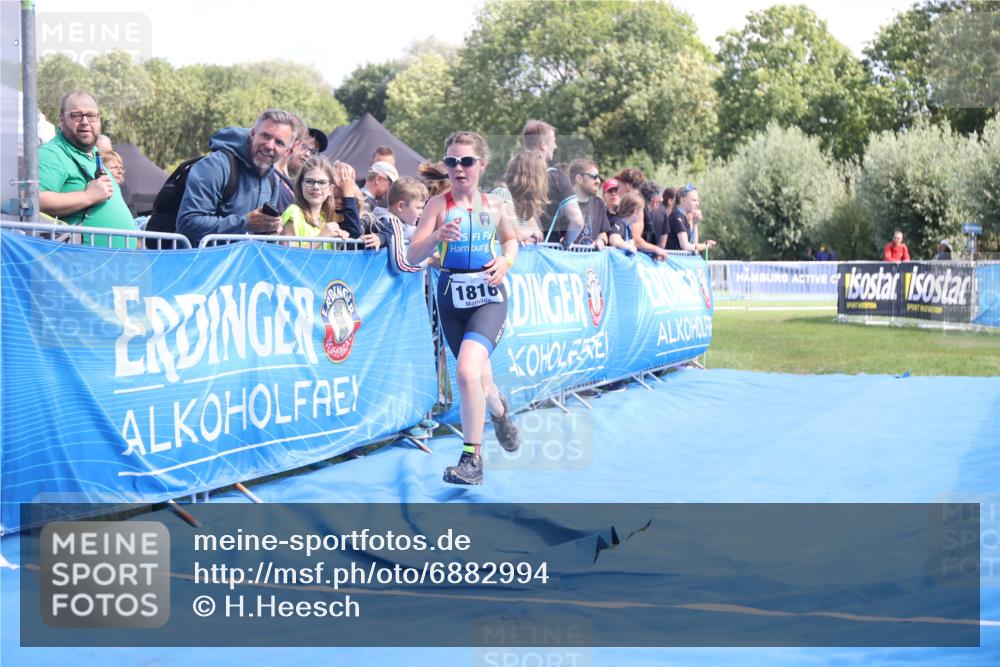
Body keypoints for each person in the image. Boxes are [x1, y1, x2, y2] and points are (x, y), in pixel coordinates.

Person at [407, 131, 521, 485]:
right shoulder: (437, 205)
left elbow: (511, 240)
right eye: (452, 162)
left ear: (481, 165)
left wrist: (505, 262)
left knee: (468, 372)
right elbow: (413, 254)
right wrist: (436, 237)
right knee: (479, 380)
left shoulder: (495, 205)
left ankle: (472, 460)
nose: (458, 168)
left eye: (466, 162)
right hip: (451, 299)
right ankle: (500, 413)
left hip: (488, 298)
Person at [176, 109, 294, 247]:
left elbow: (259, 236)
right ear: (253, 134)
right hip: (198, 259)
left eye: (279, 142)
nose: (269, 146)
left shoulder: (272, 180)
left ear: (287, 151)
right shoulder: (215, 166)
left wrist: (270, 231)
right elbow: (187, 222)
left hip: (242, 261)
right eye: (266, 136)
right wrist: (245, 223)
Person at [38, 91, 137, 248]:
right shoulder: (52, 153)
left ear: (99, 119)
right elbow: (36, 200)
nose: (85, 121)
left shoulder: (94, 154)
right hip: (81, 259)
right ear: (61, 120)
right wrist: (88, 196)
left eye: (91, 115)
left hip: (117, 259)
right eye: (76, 115)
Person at [521, 120, 583, 246]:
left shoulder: (510, 177)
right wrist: (566, 242)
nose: (555, 146)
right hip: (547, 252)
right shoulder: (557, 178)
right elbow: (577, 221)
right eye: (553, 141)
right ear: (543, 145)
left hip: (516, 251)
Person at [280, 156, 350, 247]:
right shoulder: (293, 212)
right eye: (309, 181)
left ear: (330, 189)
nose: (316, 187)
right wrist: (322, 237)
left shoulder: (324, 220)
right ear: (301, 185)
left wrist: (338, 244)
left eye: (322, 182)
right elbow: (287, 254)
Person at [492, 151, 547, 245]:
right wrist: (530, 233)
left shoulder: (523, 200)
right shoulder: (502, 193)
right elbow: (516, 234)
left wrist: (528, 237)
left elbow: (539, 236)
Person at [361, 176, 428, 251]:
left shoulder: (406, 225)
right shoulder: (391, 223)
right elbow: (398, 258)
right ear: (400, 206)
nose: (421, 213)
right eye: (418, 208)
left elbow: (415, 233)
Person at [568, 159, 611, 249]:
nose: (598, 181)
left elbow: (602, 233)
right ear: (579, 179)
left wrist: (601, 241)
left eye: (598, 177)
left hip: (592, 257)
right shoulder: (564, 204)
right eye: (594, 176)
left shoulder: (599, 203)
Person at [666, 184, 716, 254]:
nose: (697, 204)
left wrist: (695, 223)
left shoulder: (682, 217)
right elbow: (685, 246)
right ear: (683, 200)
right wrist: (706, 246)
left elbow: (693, 245)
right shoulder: (676, 217)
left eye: (697, 201)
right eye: (694, 200)